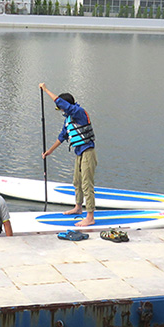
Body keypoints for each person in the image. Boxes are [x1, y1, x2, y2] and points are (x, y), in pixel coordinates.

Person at [39, 82, 97, 227]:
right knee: (76, 182)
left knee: (86, 184)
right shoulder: (68, 120)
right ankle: (78, 208)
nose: (61, 111)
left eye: (61, 108)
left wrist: (46, 90)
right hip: (79, 153)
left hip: (88, 152)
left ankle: (90, 216)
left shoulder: (79, 112)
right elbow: (62, 137)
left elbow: (61, 103)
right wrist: (49, 151)